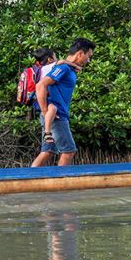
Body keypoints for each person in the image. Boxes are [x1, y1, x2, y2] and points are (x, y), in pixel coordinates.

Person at [30, 37, 95, 167]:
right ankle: (60, 184)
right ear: (80, 53)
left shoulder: (68, 68)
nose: (89, 60)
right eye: (88, 56)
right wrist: (44, 111)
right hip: (56, 116)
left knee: (47, 151)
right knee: (68, 151)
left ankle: (28, 180)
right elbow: (40, 85)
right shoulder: (64, 68)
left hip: (54, 115)